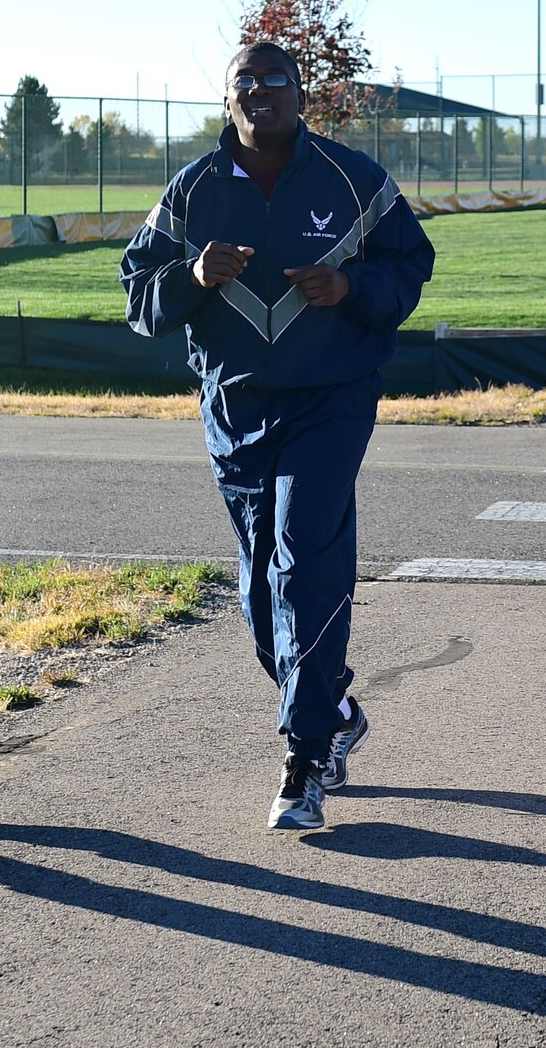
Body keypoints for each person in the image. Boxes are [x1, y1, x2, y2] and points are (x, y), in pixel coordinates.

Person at [121, 42, 434, 830]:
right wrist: (192, 276)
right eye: (243, 83)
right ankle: (332, 707)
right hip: (235, 408)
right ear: (227, 99)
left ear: (302, 94)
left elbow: (412, 263)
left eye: (274, 81)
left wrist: (352, 285)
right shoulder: (192, 190)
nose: (259, 92)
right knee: (262, 590)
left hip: (331, 401)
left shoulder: (351, 178)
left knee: (306, 562)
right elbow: (139, 294)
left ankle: (304, 759)